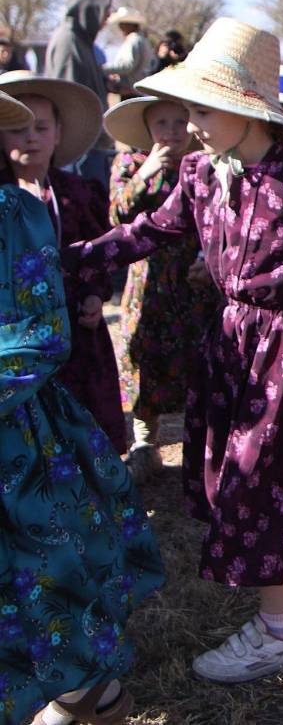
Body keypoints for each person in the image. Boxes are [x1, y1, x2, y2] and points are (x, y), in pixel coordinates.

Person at [64, 18, 283, 683]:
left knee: (261, 481)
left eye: (201, 110)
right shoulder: (203, 172)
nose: (191, 123)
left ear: (244, 108)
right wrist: (68, 259)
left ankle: (276, 631)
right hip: (229, 344)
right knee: (231, 472)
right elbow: (150, 229)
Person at [0, 88, 164, 725]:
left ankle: (89, 701)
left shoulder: (15, 213)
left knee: (44, 584)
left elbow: (41, 333)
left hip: (17, 441)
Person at [0, 70, 127, 454]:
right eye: (18, 128)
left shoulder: (77, 193)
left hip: (77, 335)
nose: (30, 137)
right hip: (12, 340)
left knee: (83, 428)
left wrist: (94, 295)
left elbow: (101, 254)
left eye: (41, 127)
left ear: (58, 132)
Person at [104, 94, 221, 483]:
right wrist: (146, 173)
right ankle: (144, 445)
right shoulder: (129, 163)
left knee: (196, 360)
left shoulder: (206, 165)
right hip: (146, 282)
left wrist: (209, 260)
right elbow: (117, 213)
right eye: (161, 124)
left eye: (179, 121)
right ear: (146, 130)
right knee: (143, 362)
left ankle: (199, 452)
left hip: (193, 282)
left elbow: (219, 221)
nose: (171, 132)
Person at [45, 0, 115, 185]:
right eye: (105, 9)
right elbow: (71, 101)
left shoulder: (81, 40)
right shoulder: (69, 41)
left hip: (92, 147)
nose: (108, 16)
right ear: (89, 8)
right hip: (80, 150)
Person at [105, 7, 154, 98]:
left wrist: (102, 69)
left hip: (131, 90)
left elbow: (128, 65)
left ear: (129, 24)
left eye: (122, 23)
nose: (120, 27)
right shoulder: (142, 39)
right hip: (138, 88)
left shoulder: (133, 40)